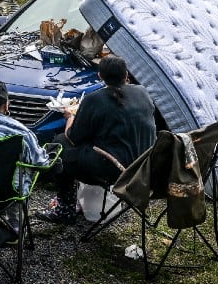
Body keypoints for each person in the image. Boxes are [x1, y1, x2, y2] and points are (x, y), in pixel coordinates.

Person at [38, 55, 157, 224]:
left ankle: (65, 208)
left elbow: (73, 137)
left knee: (59, 144)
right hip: (144, 167)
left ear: (100, 76)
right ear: (126, 75)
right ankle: (75, 201)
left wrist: (70, 116)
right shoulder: (142, 92)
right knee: (93, 142)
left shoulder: (94, 99)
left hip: (114, 169)